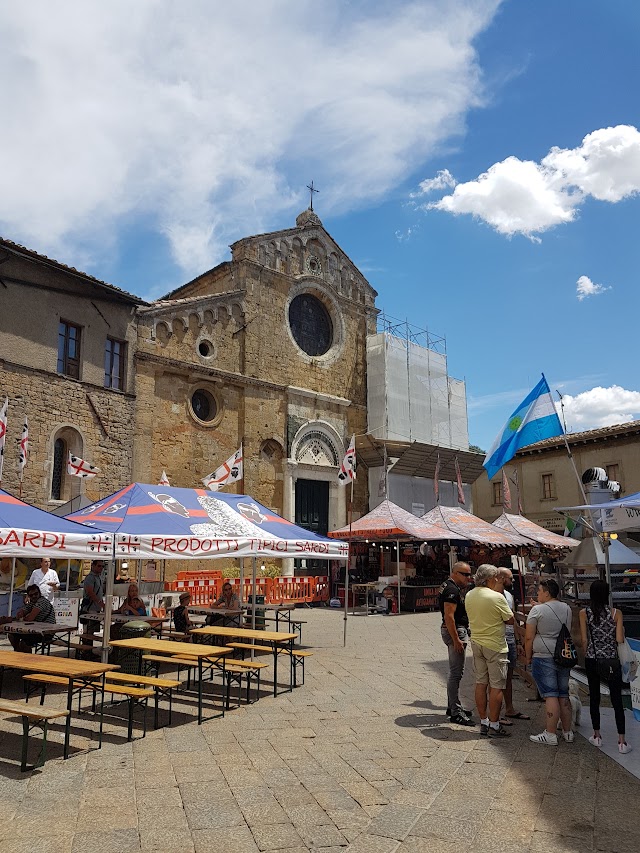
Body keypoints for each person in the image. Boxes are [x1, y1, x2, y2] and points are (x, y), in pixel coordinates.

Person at [579, 580, 631, 754]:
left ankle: (597, 735)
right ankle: (622, 741)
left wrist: (588, 654)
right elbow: (619, 640)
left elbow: (584, 640)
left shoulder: (584, 613)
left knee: (594, 697)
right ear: (607, 594)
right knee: (616, 700)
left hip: (593, 659)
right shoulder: (616, 613)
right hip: (611, 660)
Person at [464, 564, 514, 737]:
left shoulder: (470, 594)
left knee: (480, 683)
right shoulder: (497, 597)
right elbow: (510, 620)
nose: (497, 581)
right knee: (497, 686)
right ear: (490, 579)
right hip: (495, 644)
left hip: (477, 642)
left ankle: (484, 721)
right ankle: (494, 724)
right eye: (496, 578)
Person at [525, 578, 574, 745]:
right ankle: (568, 732)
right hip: (563, 654)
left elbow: (529, 636)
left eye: (539, 591)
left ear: (546, 592)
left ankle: (550, 734)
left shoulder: (537, 611)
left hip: (543, 654)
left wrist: (528, 655)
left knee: (550, 694)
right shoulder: (567, 608)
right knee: (563, 693)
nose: (537, 594)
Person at [438, 561, 474, 726]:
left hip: (455, 630)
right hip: (455, 631)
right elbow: (449, 616)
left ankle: (452, 706)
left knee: (455, 672)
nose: (469, 577)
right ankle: (455, 712)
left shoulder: (448, 585)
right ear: (455, 573)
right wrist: (456, 639)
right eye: (465, 574)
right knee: (456, 673)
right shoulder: (452, 589)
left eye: (469, 574)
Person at [498, 568, 530, 722]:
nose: (513, 581)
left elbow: (513, 619)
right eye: (510, 578)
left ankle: (509, 708)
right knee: (497, 677)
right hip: (497, 639)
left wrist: (518, 641)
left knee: (509, 676)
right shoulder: (491, 595)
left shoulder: (509, 595)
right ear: (501, 578)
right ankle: (495, 713)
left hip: (510, 638)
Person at [9, 584, 56, 652]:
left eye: (36, 593)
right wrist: (21, 613)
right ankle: (18, 653)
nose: (34, 596)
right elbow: (22, 612)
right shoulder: (33, 603)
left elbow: (30, 618)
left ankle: (26, 659)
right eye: (31, 595)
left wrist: (23, 617)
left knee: (24, 642)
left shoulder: (42, 601)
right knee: (12, 635)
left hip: (46, 633)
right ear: (29, 596)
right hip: (36, 630)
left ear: (39, 593)